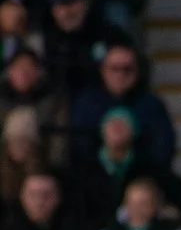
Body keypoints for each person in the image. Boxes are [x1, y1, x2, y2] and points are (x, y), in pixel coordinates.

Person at [69, 41, 174, 172]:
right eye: (114, 68)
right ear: (103, 70)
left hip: (141, 176)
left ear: (137, 71)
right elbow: (78, 146)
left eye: (127, 69)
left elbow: (163, 147)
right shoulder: (86, 103)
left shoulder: (152, 105)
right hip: (93, 178)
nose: (120, 75)